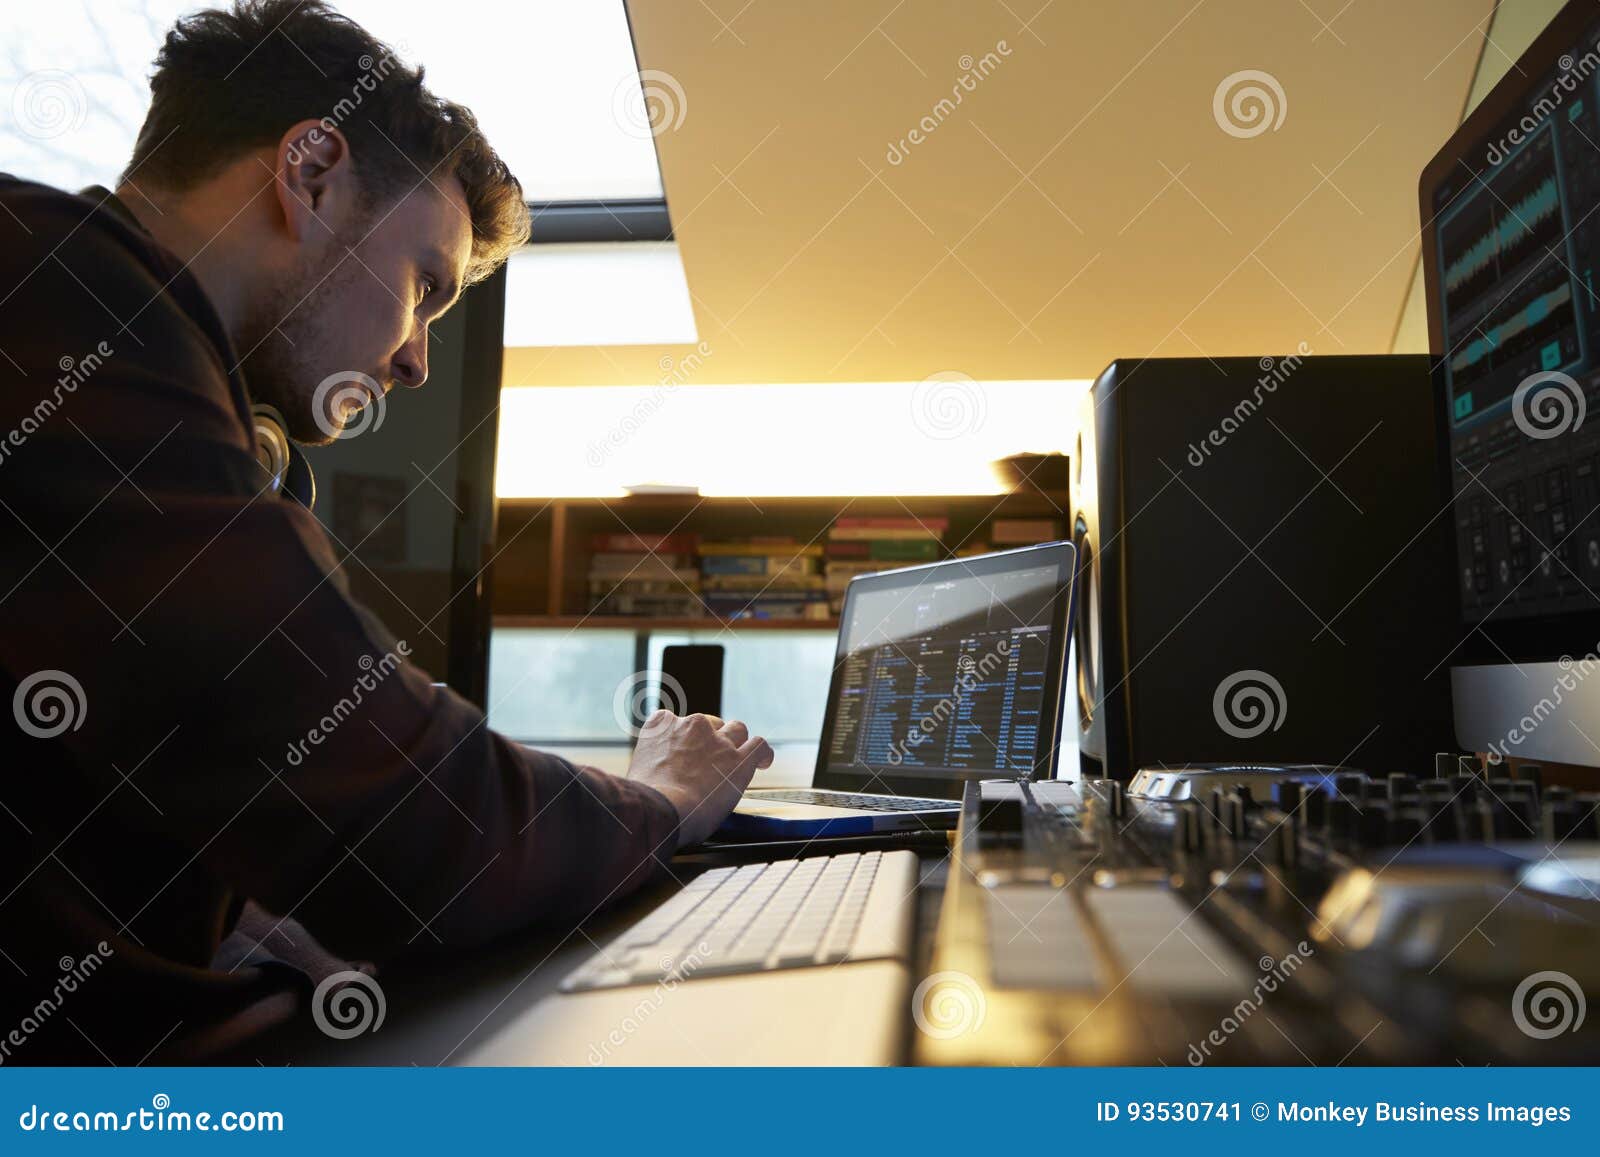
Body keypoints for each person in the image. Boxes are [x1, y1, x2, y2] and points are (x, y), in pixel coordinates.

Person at [0, 0, 770, 1063]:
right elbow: (402, 808)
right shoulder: (60, 296)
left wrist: (246, 921)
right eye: (424, 287)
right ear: (309, 173)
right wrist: (664, 797)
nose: (414, 359)